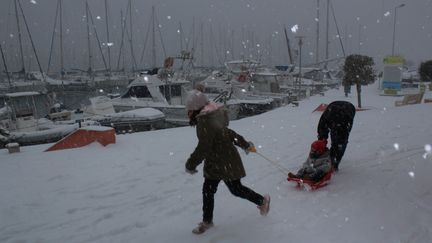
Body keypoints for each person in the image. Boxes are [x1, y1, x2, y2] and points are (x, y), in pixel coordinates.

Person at [184, 89, 270, 234]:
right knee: (208, 191)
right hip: (217, 163)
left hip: (224, 161)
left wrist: (191, 164)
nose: (187, 113)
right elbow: (230, 134)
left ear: (196, 109)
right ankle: (207, 221)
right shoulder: (210, 117)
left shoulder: (205, 121)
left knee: (235, 189)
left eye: (189, 110)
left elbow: (203, 147)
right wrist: (245, 144)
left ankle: (262, 201)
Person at [317, 100, 356, 171]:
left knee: (340, 142)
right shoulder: (326, 118)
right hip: (333, 107)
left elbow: (342, 136)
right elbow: (321, 128)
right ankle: (330, 157)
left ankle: (334, 163)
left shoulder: (344, 122)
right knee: (329, 138)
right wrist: (322, 140)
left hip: (348, 110)